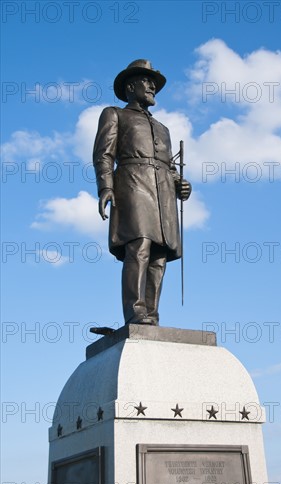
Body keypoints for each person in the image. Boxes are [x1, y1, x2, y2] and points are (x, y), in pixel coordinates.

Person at [93, 60, 191, 326]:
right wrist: (106, 187)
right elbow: (103, 154)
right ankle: (135, 312)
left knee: (160, 255)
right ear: (130, 86)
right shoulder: (114, 114)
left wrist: (180, 183)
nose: (152, 88)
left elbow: (169, 167)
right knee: (139, 247)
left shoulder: (163, 129)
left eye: (154, 84)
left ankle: (152, 315)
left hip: (163, 196)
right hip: (133, 185)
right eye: (146, 82)